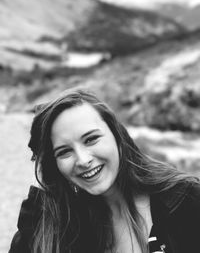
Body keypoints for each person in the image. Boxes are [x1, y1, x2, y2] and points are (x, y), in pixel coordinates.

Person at [9, 88, 200, 253]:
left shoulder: (185, 199)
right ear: (55, 165)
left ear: (117, 135)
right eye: (64, 151)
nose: (83, 160)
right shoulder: (51, 227)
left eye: (91, 139)